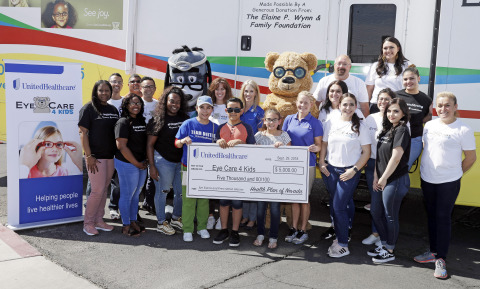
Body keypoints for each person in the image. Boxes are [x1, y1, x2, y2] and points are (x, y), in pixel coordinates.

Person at [414, 92, 476, 279]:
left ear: (455, 107)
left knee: (442, 218)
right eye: (440, 106)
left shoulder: (463, 129)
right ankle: (433, 252)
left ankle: (441, 259)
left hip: (448, 182)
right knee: (432, 217)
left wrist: (454, 173)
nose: (443, 109)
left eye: (447, 105)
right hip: (428, 179)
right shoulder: (430, 126)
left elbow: (471, 158)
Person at [319, 93, 370, 258]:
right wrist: (322, 163)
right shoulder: (331, 123)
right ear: (339, 105)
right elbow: (324, 144)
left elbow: (366, 152)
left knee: (339, 206)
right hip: (331, 170)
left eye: (351, 104)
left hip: (349, 172)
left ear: (356, 107)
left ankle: (343, 244)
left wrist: (354, 170)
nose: (348, 108)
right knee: (336, 205)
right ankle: (340, 235)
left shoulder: (360, 126)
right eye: (345, 104)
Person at [369, 98, 411, 263]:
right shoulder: (387, 129)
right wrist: (375, 177)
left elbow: (396, 157)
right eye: (389, 111)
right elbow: (378, 157)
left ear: (403, 114)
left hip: (395, 180)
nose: (391, 114)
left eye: (396, 111)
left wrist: (384, 178)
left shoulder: (402, 130)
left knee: (390, 215)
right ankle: (385, 243)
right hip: (381, 179)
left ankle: (390, 249)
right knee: (375, 212)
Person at [212, 98, 255, 247]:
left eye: (237, 109)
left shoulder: (247, 128)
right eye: (230, 109)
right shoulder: (220, 127)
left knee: (237, 203)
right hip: (223, 172)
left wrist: (240, 143)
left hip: (240, 172)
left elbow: (254, 150)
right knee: (223, 203)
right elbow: (212, 148)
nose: (233, 112)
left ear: (241, 111)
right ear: (226, 111)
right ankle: (224, 230)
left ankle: (235, 231)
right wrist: (217, 142)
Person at [318, 80, 357, 241]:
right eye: (331, 91)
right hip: (329, 163)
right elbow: (323, 140)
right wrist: (321, 161)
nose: (334, 94)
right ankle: (335, 227)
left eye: (338, 91)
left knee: (344, 199)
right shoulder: (324, 111)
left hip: (347, 165)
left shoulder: (356, 116)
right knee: (334, 198)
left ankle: (346, 227)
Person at [175, 95, 218, 242]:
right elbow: (176, 143)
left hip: (206, 170)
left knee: (204, 200)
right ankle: (187, 229)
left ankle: (202, 227)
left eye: (208, 108)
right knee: (188, 199)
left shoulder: (215, 127)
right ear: (196, 108)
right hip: (188, 167)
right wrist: (182, 140)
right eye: (202, 107)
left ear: (212, 109)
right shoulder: (188, 123)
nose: (205, 111)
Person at [78, 80, 119, 236]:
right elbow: (83, 133)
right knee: (97, 190)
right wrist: (88, 156)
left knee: (104, 190)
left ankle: (99, 220)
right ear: (95, 92)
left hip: (110, 157)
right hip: (95, 157)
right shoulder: (88, 108)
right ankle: (88, 223)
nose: (104, 93)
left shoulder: (113, 109)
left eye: (107, 90)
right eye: (101, 90)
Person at [147, 87, 189, 235]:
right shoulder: (158, 119)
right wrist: (152, 166)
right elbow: (150, 145)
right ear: (165, 101)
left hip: (180, 162)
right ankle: (160, 222)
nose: (175, 104)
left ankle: (176, 218)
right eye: (172, 101)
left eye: (178, 102)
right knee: (163, 192)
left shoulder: (185, 118)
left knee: (180, 193)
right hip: (163, 161)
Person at [282, 91, 323, 245]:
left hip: (308, 164)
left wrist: (315, 148)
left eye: (306, 103)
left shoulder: (315, 123)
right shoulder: (288, 119)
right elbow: (284, 138)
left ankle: (303, 230)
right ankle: (293, 228)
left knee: (304, 198)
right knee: (294, 197)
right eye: (300, 102)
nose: (302, 105)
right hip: (292, 164)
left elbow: (319, 146)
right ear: (296, 103)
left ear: (311, 105)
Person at [362, 88, 397, 246]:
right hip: (371, 164)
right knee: (375, 200)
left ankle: (383, 236)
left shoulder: (396, 121)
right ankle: (376, 233)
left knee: (384, 204)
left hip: (388, 166)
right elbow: (365, 142)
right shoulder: (370, 118)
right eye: (380, 99)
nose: (383, 102)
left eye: (386, 99)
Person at [253, 108, 291, 249]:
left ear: (279, 121)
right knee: (260, 209)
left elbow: (290, 157)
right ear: (264, 121)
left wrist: (283, 149)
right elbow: (251, 157)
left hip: (277, 180)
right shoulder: (258, 136)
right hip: (261, 179)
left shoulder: (284, 136)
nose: (271, 122)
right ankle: (260, 234)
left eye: (274, 119)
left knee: (275, 209)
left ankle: (273, 237)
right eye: (268, 119)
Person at [114, 93, 148, 237]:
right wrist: (136, 163)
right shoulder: (122, 122)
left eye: (139, 103)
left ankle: (133, 220)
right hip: (127, 163)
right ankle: (126, 225)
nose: (136, 106)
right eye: (133, 103)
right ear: (126, 105)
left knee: (136, 196)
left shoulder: (141, 121)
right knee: (127, 195)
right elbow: (121, 146)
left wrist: (144, 161)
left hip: (140, 164)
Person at [206, 78, 233, 230]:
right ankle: (211, 216)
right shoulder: (209, 106)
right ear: (213, 91)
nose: (220, 92)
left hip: (226, 152)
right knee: (211, 186)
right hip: (210, 152)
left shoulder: (230, 107)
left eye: (223, 89)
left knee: (224, 185)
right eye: (217, 89)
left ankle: (222, 219)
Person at [239, 80, 265, 230]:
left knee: (252, 187)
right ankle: (244, 215)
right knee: (242, 186)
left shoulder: (259, 112)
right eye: (246, 91)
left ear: (256, 93)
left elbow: (261, 133)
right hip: (239, 152)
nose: (248, 94)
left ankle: (252, 218)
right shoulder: (239, 109)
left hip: (253, 153)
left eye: (251, 91)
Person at [396, 65, 432, 169]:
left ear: (418, 79)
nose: (408, 81)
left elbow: (428, 117)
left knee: (402, 167)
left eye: (412, 78)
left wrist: (418, 122)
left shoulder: (426, 99)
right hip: (396, 139)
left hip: (414, 141)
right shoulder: (396, 95)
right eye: (405, 79)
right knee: (397, 168)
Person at [366, 37, 409, 113]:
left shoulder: (407, 65)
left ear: (398, 48)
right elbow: (369, 90)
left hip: (396, 107)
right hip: (377, 106)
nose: (388, 51)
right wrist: (366, 110)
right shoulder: (375, 66)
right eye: (385, 48)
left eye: (391, 47)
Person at [140, 76, 158, 214]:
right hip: (138, 143)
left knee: (151, 173)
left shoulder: (158, 105)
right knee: (139, 174)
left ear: (155, 89)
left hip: (153, 143)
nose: (148, 89)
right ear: (141, 88)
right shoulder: (136, 103)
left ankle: (148, 202)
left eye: (151, 86)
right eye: (146, 86)